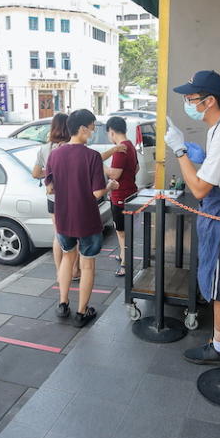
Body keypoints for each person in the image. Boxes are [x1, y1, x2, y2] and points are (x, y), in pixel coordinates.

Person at [164, 70, 220, 364]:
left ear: (210, 101)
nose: (187, 104)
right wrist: (202, 158)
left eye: (191, 99)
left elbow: (201, 189)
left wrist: (180, 151)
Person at [45, 109, 118, 327]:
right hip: (87, 219)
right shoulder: (92, 156)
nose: (94, 131)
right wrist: (110, 186)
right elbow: (96, 194)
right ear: (83, 128)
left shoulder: (55, 154)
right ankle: (81, 311)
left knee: (68, 258)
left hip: (63, 218)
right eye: (93, 126)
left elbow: (50, 189)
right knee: (87, 265)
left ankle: (63, 303)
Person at [33, 114, 81, 282]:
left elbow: (36, 173)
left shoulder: (45, 148)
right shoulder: (73, 147)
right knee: (75, 234)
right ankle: (74, 270)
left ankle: (60, 272)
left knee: (58, 235)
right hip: (72, 198)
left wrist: (51, 173)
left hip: (53, 199)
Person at [105, 115, 139, 277]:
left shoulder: (120, 149)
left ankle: (126, 263)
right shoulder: (130, 145)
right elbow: (137, 168)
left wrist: (101, 165)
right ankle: (122, 256)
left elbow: (115, 174)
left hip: (120, 195)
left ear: (111, 132)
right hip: (131, 192)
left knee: (121, 231)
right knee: (123, 230)